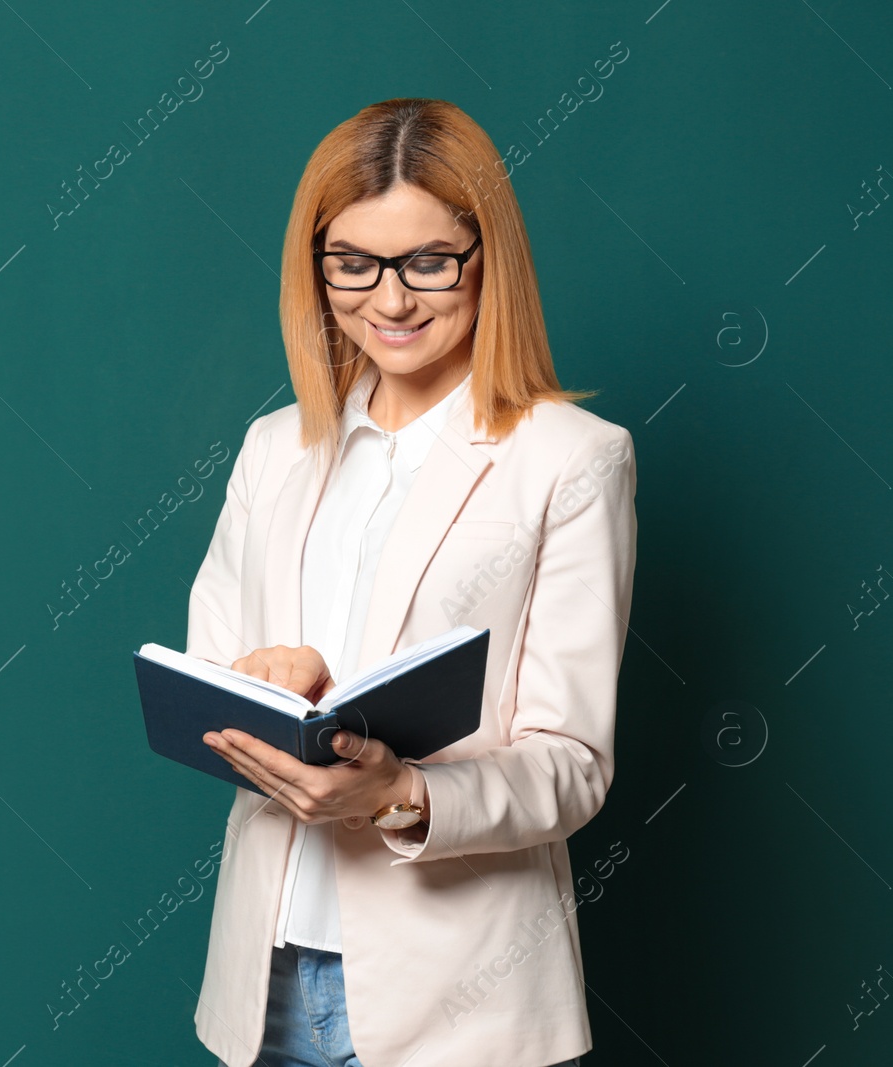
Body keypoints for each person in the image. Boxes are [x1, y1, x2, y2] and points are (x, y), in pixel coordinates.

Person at [184, 98, 637, 1067]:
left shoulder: (571, 460)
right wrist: (265, 683)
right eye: (352, 262)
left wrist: (401, 793)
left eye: (428, 261)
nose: (389, 301)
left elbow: (571, 761)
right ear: (314, 267)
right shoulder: (274, 450)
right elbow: (207, 670)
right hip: (265, 979)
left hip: (458, 999)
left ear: (488, 257)